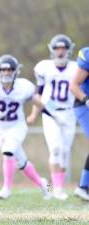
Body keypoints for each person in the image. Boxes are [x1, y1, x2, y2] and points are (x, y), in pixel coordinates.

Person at [0, 54, 51, 200]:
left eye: (9, 69)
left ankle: (7, 188)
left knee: (8, 151)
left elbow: (37, 102)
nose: (6, 72)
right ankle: (42, 184)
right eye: (3, 69)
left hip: (17, 126)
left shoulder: (23, 86)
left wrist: (52, 115)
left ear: (16, 71)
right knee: (21, 162)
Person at [27, 34, 77, 200]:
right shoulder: (44, 67)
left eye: (63, 48)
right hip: (50, 112)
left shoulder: (76, 68)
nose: (60, 51)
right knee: (55, 148)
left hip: (69, 112)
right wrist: (34, 113)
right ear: (52, 50)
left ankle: (57, 186)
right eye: (57, 48)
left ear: (69, 50)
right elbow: (38, 93)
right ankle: (57, 189)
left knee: (64, 151)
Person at [69, 46, 89, 201]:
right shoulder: (87, 55)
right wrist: (86, 99)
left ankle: (83, 186)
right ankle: (83, 187)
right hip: (84, 105)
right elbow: (73, 85)